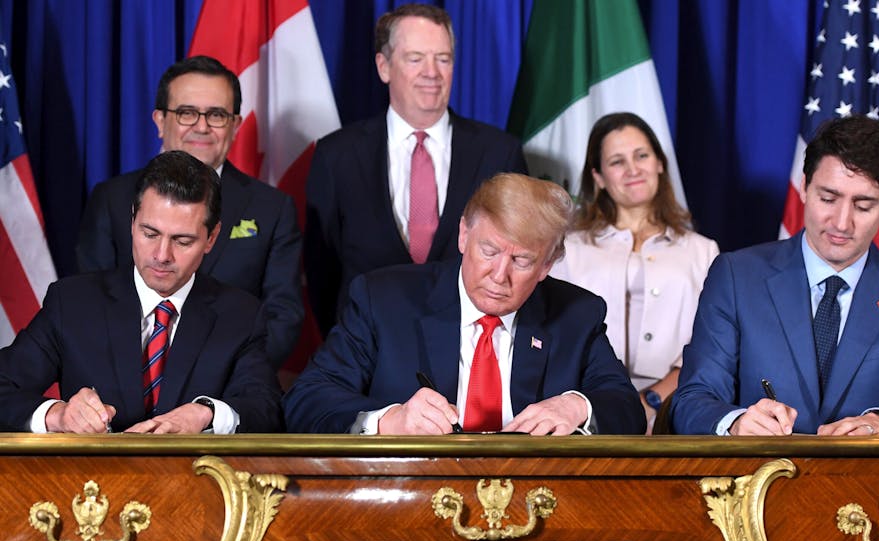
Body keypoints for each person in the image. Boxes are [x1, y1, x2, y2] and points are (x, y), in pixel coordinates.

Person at [284, 173, 646, 435]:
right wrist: (389, 420)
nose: (499, 275)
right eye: (488, 251)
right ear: (463, 235)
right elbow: (306, 401)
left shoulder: (576, 314)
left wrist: (575, 406)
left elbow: (626, 409)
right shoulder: (383, 300)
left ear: (547, 265)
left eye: (521, 261)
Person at [671, 115, 879, 436]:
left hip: (860, 483)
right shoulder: (736, 276)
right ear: (804, 188)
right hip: (757, 478)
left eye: (863, 205)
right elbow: (692, 400)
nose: (841, 223)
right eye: (828, 198)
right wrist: (737, 423)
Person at [0, 151, 283, 434]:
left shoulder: (240, 315)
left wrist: (206, 414)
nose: (162, 255)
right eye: (150, 234)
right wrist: (57, 415)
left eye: (182, 241)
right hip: (90, 478)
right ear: (133, 221)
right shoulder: (72, 303)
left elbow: (267, 410)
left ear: (211, 237)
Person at [304, 3, 528, 336]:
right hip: (365, 354)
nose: (432, 72)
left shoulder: (499, 153)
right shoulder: (336, 155)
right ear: (384, 66)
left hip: (467, 353)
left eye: (443, 59)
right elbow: (322, 273)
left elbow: (518, 259)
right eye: (415, 58)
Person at [76, 55, 302, 369]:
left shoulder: (273, 209)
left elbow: (282, 318)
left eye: (217, 115)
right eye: (186, 113)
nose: (201, 126)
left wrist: (218, 380)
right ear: (159, 120)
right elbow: (87, 303)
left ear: (235, 125)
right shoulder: (112, 198)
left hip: (228, 393)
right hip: (123, 388)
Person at [550, 113, 718, 432]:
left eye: (641, 156)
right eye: (617, 161)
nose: (633, 169)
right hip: (586, 416)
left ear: (659, 163)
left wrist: (652, 399)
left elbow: (712, 347)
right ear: (598, 176)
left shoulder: (703, 251)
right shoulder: (568, 250)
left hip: (677, 411)